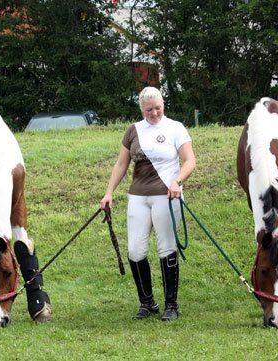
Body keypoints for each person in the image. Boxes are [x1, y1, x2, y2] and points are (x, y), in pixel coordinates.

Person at [100, 86, 196, 321]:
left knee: (166, 247)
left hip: (167, 195)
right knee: (135, 250)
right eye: (149, 110)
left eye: (158, 108)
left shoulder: (175, 128)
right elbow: (121, 164)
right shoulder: (133, 131)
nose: (154, 113)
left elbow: (190, 160)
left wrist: (177, 181)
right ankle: (147, 302)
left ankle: (171, 305)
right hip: (138, 196)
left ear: (163, 104)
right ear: (141, 109)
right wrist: (109, 192)